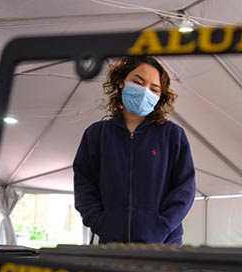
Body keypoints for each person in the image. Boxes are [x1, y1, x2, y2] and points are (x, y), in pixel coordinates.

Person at [73, 56, 196, 244]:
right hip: (112, 247)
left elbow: (185, 188)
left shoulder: (172, 135)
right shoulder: (96, 135)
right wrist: (100, 222)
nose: (145, 92)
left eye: (154, 89)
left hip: (164, 247)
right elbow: (84, 184)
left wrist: (162, 225)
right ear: (122, 82)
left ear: (159, 96)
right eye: (138, 82)